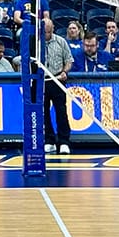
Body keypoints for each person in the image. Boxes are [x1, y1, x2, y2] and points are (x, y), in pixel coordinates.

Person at [40, 17, 74, 155]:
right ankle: (49, 140)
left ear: (52, 29)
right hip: (41, 81)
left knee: (61, 111)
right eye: (44, 32)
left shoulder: (61, 42)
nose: (46, 35)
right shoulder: (35, 43)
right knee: (44, 113)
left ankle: (64, 141)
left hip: (57, 79)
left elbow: (69, 60)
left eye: (48, 32)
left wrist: (65, 71)